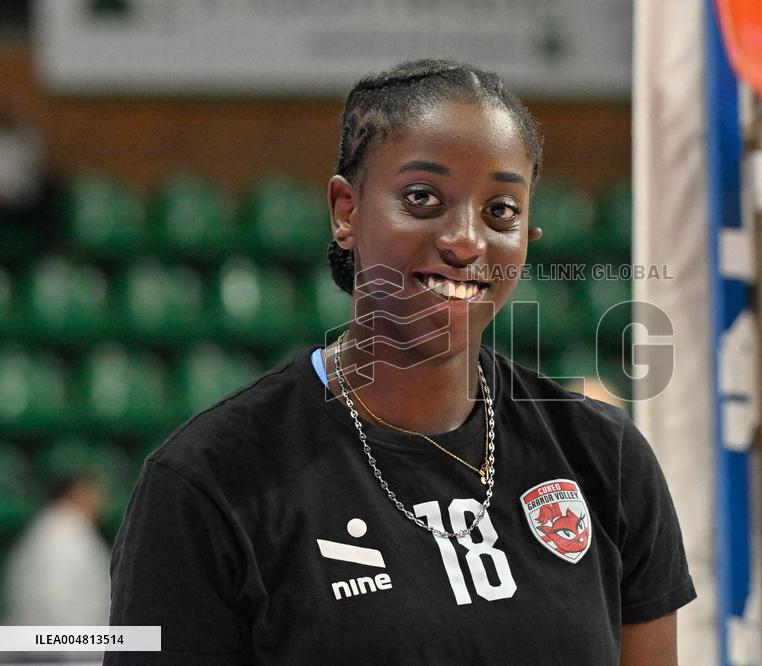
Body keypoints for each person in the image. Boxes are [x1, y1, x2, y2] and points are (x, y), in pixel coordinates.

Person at [106, 59, 695, 665]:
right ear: (346, 210)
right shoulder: (209, 483)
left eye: (502, 210)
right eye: (422, 197)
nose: (466, 239)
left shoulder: (605, 456)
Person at [4, 472, 110, 663]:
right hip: (56, 652)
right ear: (78, 493)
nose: (101, 499)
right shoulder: (63, 535)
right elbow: (54, 600)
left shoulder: (58, 528)